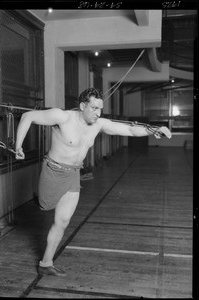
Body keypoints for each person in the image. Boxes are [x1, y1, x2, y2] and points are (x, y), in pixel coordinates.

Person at [15, 87, 171, 276]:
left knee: (62, 221)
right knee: (45, 205)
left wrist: (153, 130)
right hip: (53, 171)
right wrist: (18, 146)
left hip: (73, 175)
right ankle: (40, 200)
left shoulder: (99, 124)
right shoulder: (62, 117)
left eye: (100, 109)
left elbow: (129, 129)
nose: (98, 113)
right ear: (82, 106)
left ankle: (45, 263)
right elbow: (28, 117)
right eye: (94, 108)